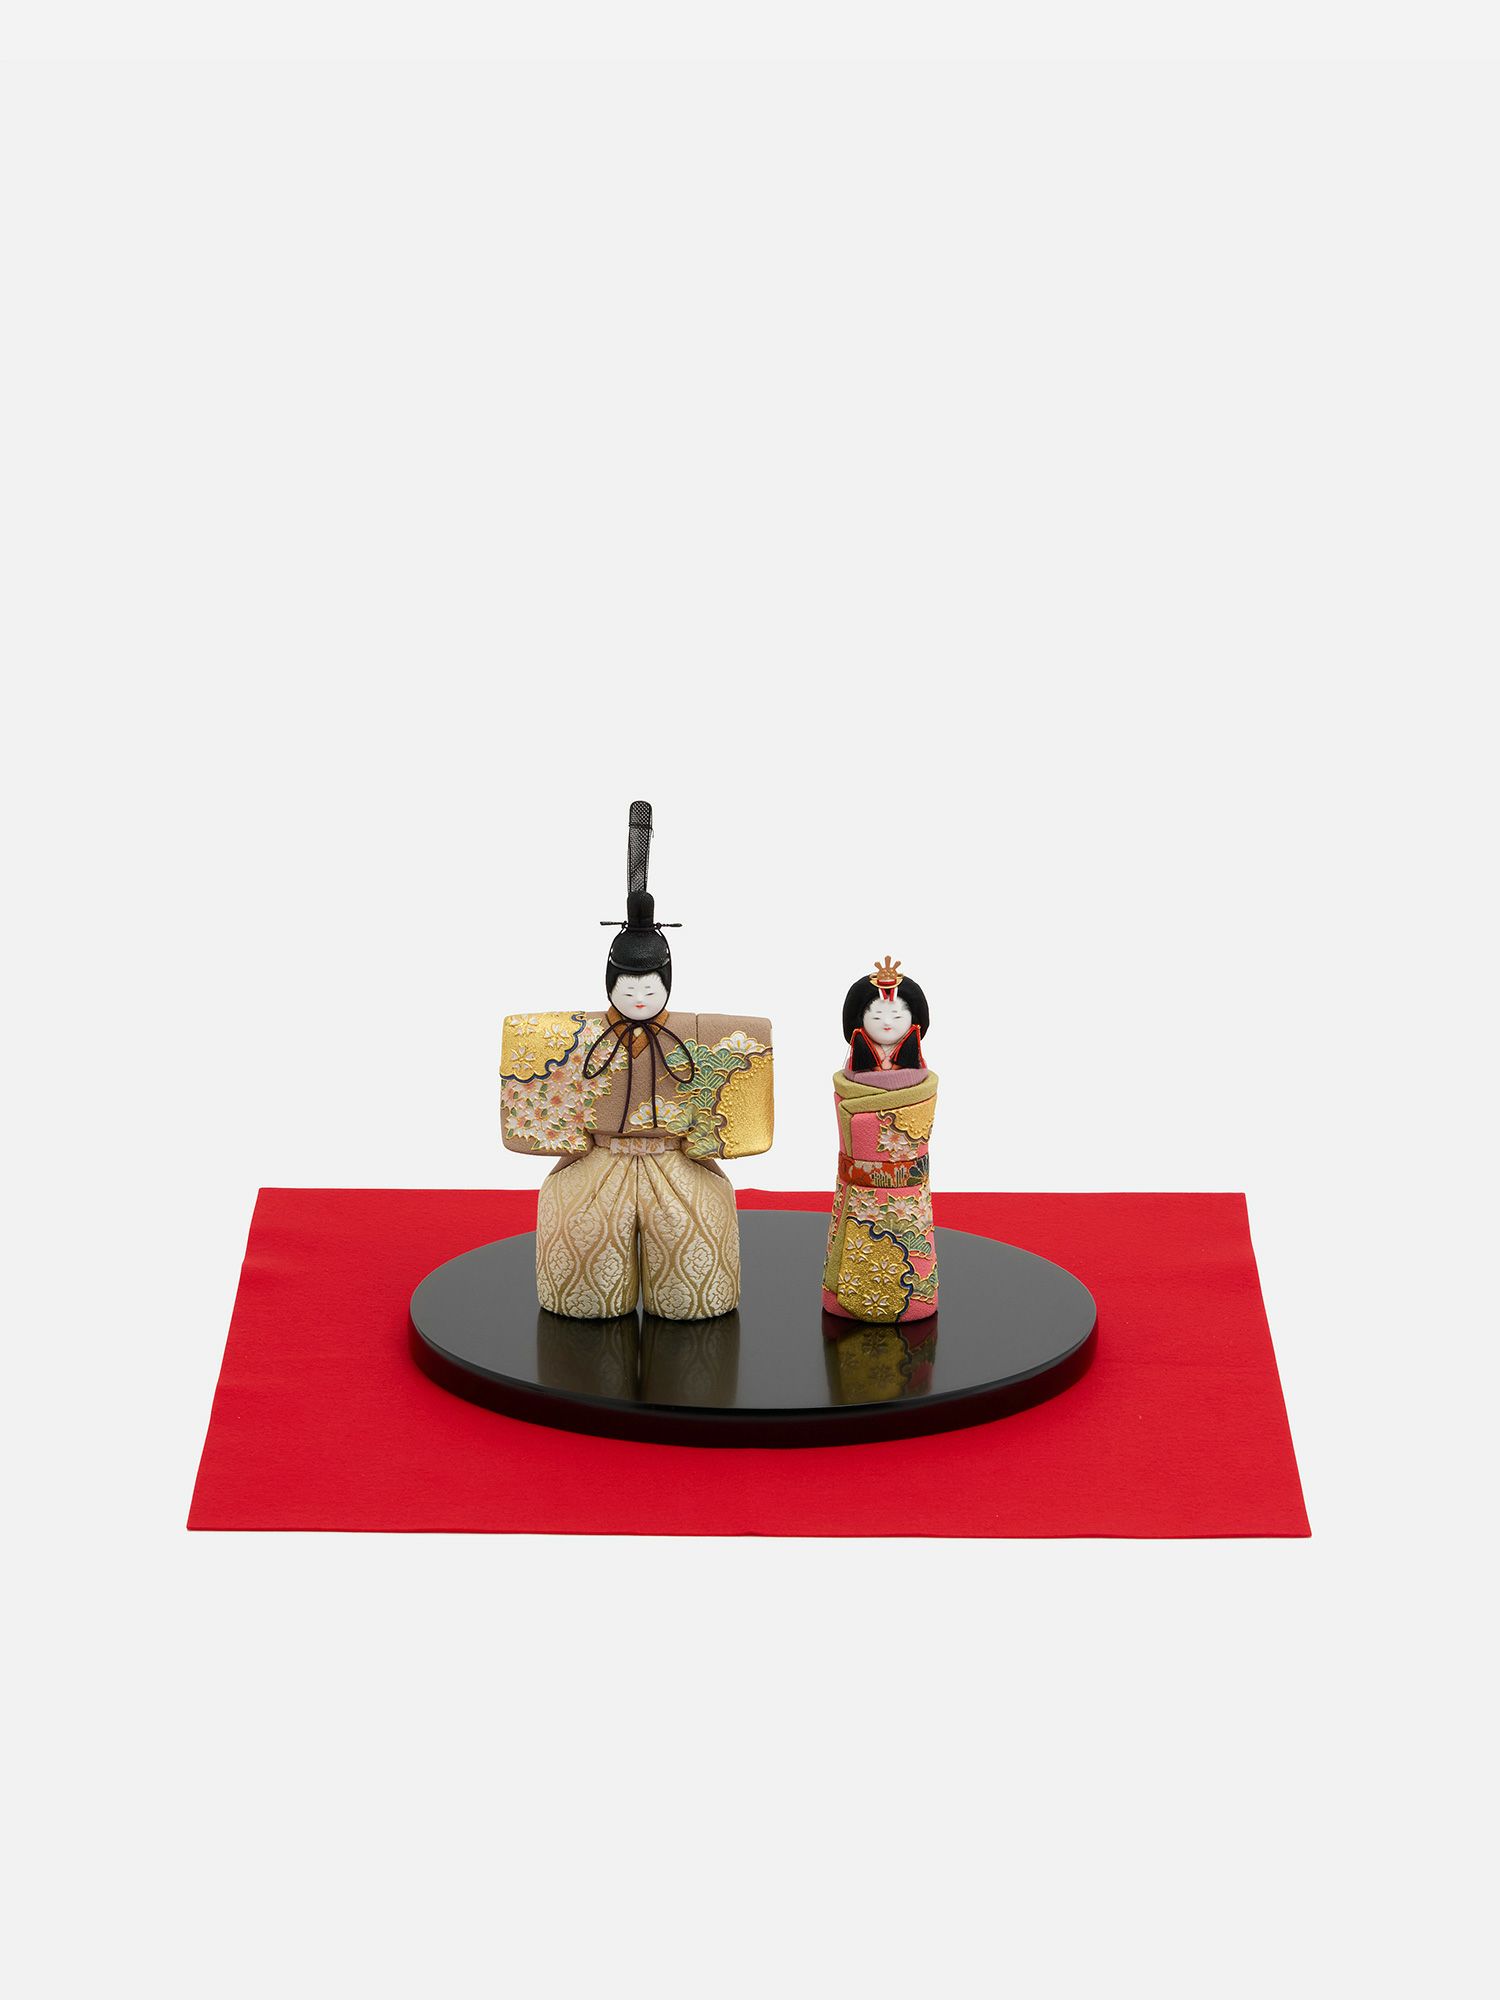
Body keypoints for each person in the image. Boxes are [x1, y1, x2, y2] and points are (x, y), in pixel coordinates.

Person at [500, 802, 773, 1320]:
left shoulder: (695, 1034)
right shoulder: (581, 1036)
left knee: (695, 1271)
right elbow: (534, 1067)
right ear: (610, 983)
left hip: (677, 1161)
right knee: (582, 1259)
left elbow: (744, 1059)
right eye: (628, 986)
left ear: (668, 983)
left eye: (651, 987)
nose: (640, 997)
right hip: (598, 1160)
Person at [822, 957, 938, 1323]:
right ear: (859, 1021)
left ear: (914, 1020)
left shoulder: (920, 1078)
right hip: (858, 1184)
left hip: (907, 1190)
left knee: (910, 1254)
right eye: (876, 1014)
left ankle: (915, 1299)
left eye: (898, 1014)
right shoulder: (851, 1075)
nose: (887, 1022)